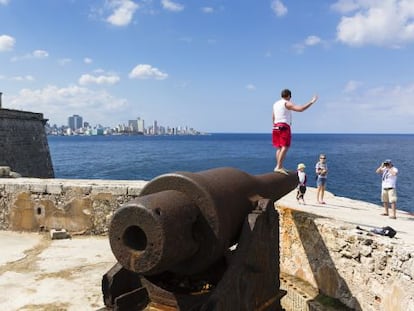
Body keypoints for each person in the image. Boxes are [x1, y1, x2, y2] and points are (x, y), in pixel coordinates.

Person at [272, 89, 318, 174]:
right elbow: (301, 109)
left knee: (279, 147)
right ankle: (279, 166)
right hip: (284, 126)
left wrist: (275, 126)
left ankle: (278, 166)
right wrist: (312, 102)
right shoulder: (287, 103)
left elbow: (273, 116)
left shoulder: (275, 104)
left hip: (276, 126)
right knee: (285, 146)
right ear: (289, 96)